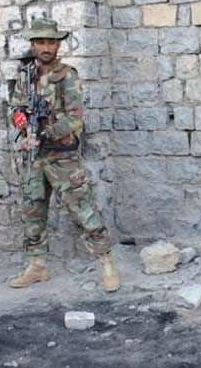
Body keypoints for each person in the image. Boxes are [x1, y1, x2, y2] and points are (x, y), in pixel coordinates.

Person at [8, 18, 119, 292]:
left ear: (58, 44)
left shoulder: (67, 75)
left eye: (51, 41)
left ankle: (106, 263)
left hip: (62, 157)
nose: (46, 47)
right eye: (41, 42)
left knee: (83, 211)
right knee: (32, 211)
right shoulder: (25, 77)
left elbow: (74, 119)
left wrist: (44, 134)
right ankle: (37, 266)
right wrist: (21, 123)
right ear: (33, 44)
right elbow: (15, 109)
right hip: (34, 157)